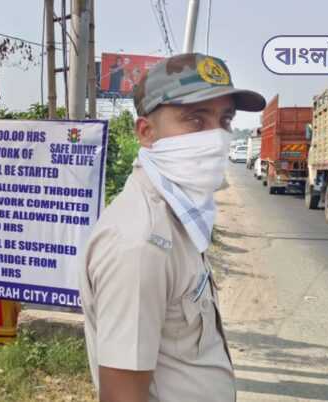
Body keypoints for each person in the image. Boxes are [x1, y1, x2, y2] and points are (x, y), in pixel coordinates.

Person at [79, 53, 266, 402]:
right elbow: (123, 396)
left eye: (224, 120)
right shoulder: (139, 243)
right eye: (195, 120)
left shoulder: (182, 215)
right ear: (147, 133)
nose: (217, 138)